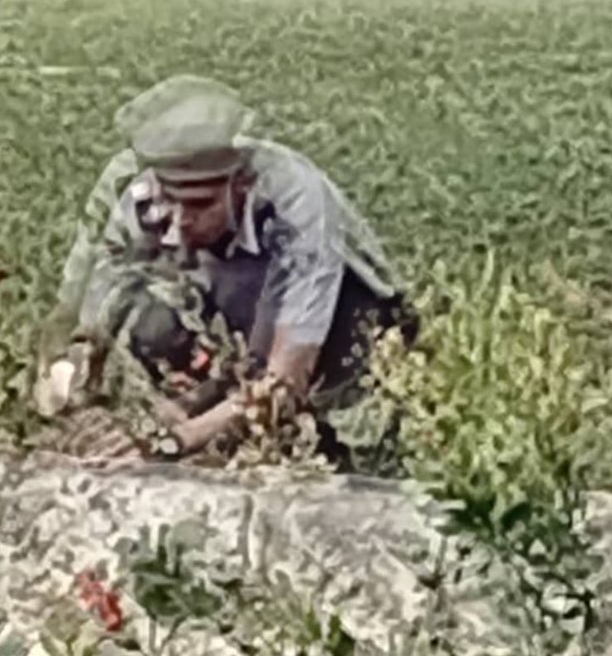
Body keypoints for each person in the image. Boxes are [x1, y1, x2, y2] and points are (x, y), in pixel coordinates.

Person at [35, 75, 417, 463]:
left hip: (346, 315)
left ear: (242, 185)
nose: (179, 220)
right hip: (230, 293)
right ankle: (212, 402)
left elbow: (284, 379)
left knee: (326, 425)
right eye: (168, 200)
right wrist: (73, 394)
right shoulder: (131, 186)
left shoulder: (297, 201)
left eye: (199, 205)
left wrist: (169, 444)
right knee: (152, 323)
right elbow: (81, 316)